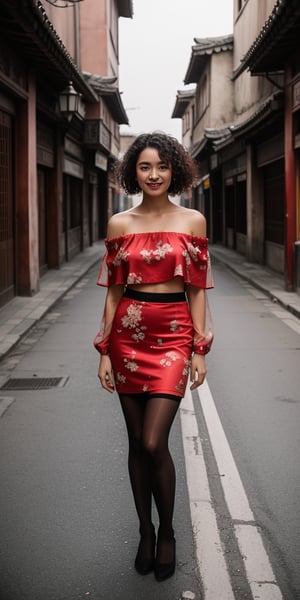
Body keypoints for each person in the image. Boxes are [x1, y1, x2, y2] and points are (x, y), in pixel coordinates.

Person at [94, 132, 213, 582]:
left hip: (174, 335)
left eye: (161, 166)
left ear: (175, 170)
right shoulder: (120, 224)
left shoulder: (193, 221)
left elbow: (197, 288)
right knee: (135, 445)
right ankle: (145, 530)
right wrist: (104, 349)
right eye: (145, 167)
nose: (154, 175)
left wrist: (199, 349)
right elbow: (114, 292)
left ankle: (168, 532)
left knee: (152, 441)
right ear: (133, 172)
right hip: (127, 334)